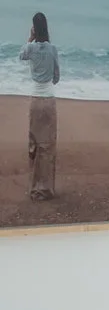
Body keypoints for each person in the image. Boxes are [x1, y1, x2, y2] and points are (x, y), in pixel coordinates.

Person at [20, 10, 60, 200]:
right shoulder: (52, 49)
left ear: (35, 29)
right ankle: (47, 189)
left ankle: (34, 188)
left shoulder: (30, 48)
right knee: (48, 146)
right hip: (49, 101)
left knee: (34, 145)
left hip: (35, 100)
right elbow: (57, 78)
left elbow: (21, 55)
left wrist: (30, 37)